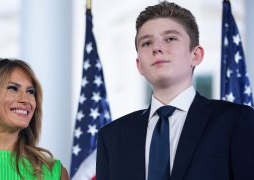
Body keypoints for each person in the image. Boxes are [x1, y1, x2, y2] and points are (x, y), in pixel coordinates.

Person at [96, 1, 254, 180]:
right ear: (139, 65)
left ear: (195, 55)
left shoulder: (235, 121)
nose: (157, 48)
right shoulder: (111, 137)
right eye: (147, 43)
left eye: (170, 38)